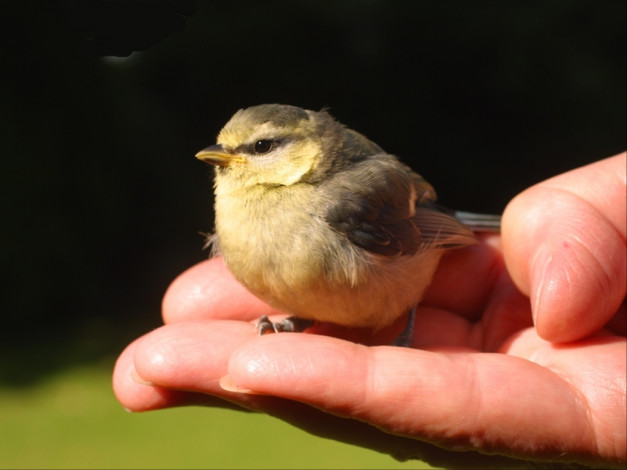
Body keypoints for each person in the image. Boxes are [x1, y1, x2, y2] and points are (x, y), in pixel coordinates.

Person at [113, 153, 626, 468]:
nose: (231, 159)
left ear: (305, 153)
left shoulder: (344, 198)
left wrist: (406, 331)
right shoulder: (239, 210)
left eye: (261, 148)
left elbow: (422, 222)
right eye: (229, 150)